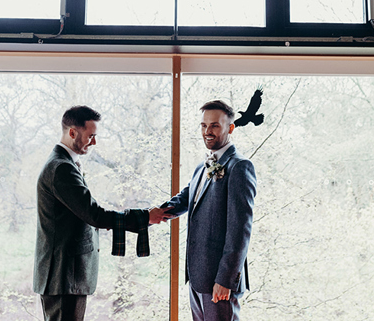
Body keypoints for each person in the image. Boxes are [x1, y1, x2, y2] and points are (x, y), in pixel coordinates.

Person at [33, 105, 167, 321]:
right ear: (72, 132)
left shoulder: (65, 163)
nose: (94, 142)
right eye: (91, 136)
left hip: (66, 277)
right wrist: (144, 217)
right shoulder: (61, 168)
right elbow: (93, 214)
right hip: (63, 276)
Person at [159, 100, 257, 321]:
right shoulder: (202, 166)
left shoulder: (239, 167)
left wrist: (225, 279)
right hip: (198, 278)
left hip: (219, 282)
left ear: (230, 128)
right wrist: (154, 214)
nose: (207, 131)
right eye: (203, 126)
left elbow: (240, 230)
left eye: (214, 126)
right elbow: (186, 198)